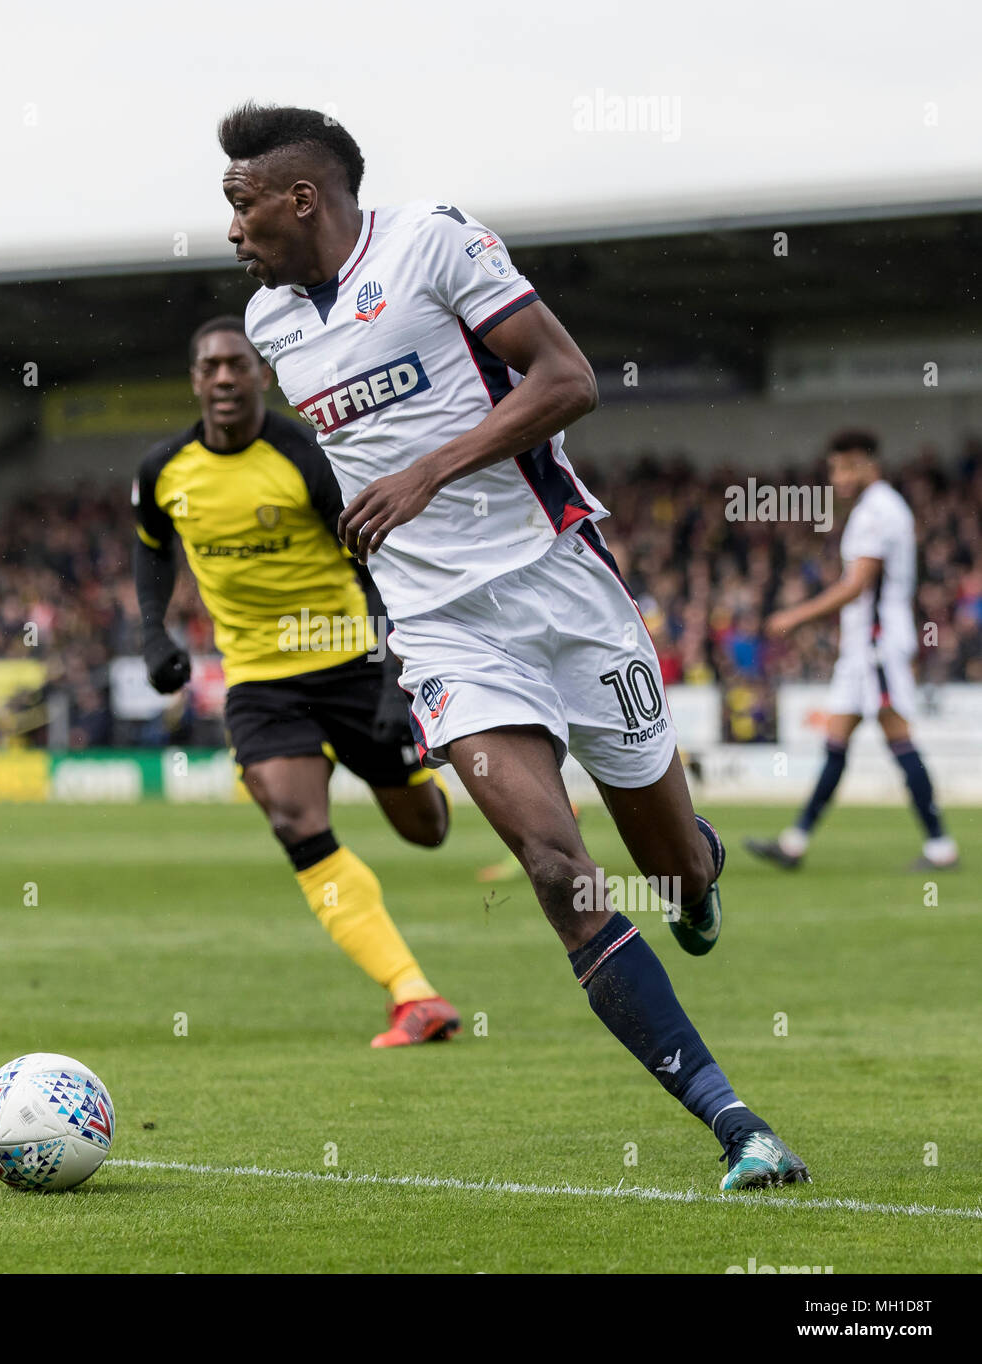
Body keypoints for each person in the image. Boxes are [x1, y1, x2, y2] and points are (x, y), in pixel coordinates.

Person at [217, 102, 808, 1189]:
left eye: (240, 202)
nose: (230, 227)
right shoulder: (270, 325)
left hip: (561, 589)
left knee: (668, 867)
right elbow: (362, 471)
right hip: (444, 630)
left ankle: (697, 863)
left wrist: (429, 471)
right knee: (549, 860)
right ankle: (738, 1124)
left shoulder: (434, 239)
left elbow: (566, 379)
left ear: (302, 197)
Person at [132, 315, 459, 1048]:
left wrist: (387, 672)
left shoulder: (305, 453)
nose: (223, 378)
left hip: (349, 662)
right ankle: (413, 993)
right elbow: (151, 548)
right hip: (260, 682)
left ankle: (405, 777)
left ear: (263, 375)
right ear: (194, 380)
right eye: (209, 366)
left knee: (427, 831)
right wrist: (152, 633)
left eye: (237, 365)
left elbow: (369, 557)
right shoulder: (164, 470)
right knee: (294, 820)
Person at [747, 429, 958, 871]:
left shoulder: (878, 511)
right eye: (833, 469)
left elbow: (857, 584)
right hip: (865, 649)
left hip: (876, 648)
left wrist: (794, 616)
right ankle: (795, 843)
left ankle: (941, 847)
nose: (837, 478)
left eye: (844, 467)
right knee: (837, 743)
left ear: (867, 463)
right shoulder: (879, 508)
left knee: (898, 738)